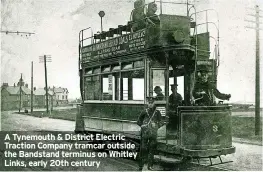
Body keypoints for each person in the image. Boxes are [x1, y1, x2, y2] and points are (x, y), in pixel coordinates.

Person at [137, 97, 163, 171]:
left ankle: (150, 166)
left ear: (154, 103)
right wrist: (142, 125)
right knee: (143, 149)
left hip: (153, 134)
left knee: (151, 150)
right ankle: (141, 166)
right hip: (145, 133)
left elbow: (161, 122)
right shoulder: (144, 112)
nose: (150, 104)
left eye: (152, 103)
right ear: (147, 103)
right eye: (149, 103)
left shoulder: (157, 112)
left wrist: (157, 125)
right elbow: (138, 121)